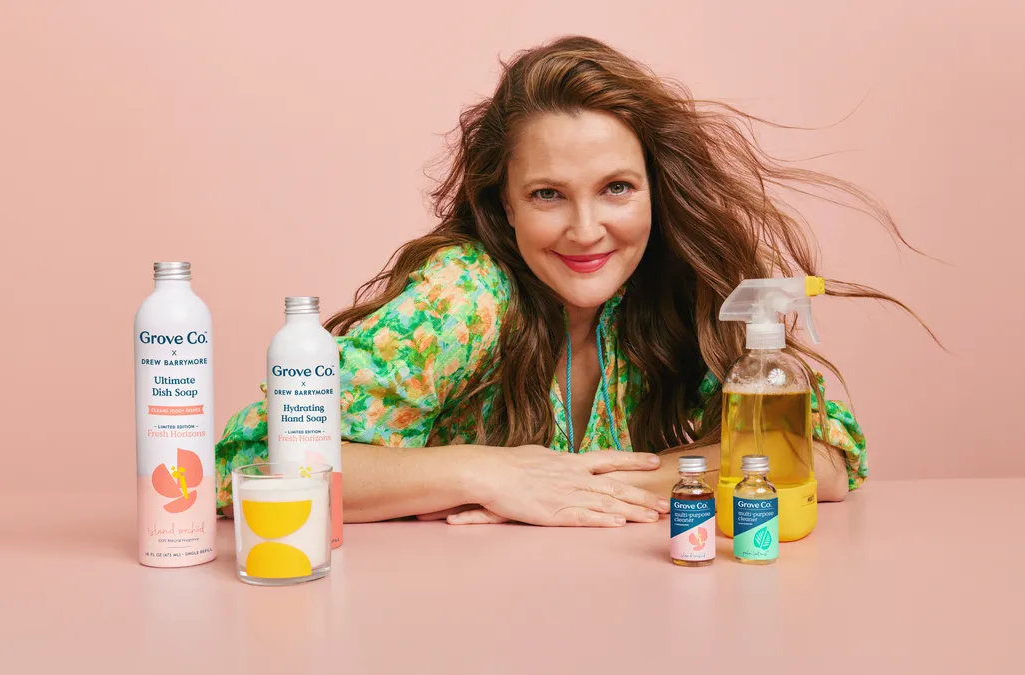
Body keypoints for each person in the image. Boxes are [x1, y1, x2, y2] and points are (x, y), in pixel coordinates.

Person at [215, 35, 923, 527]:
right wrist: (483, 473)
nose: (586, 230)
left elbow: (826, 457)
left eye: (616, 188)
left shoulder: (677, 290)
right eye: (549, 194)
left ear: (655, 191)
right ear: (504, 206)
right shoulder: (464, 298)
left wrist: (624, 481)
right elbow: (252, 462)